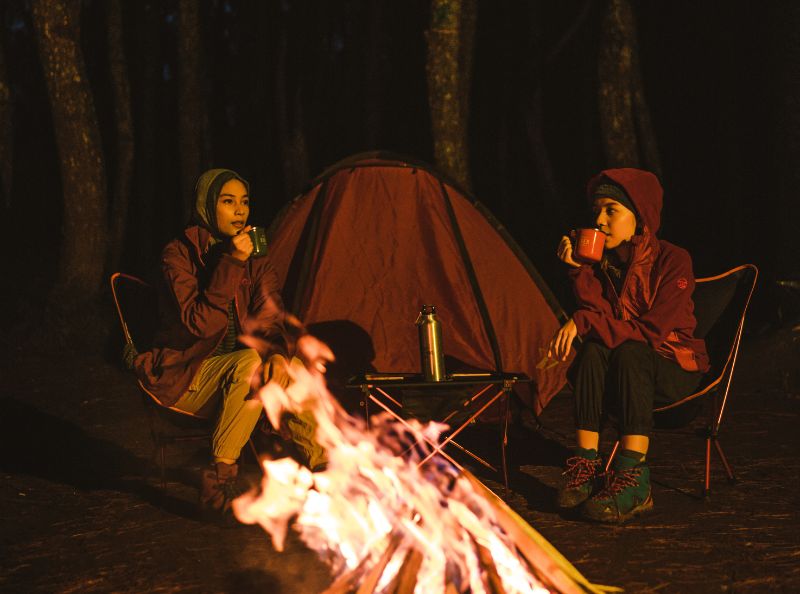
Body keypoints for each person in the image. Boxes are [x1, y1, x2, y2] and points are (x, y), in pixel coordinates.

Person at [133, 168, 325, 516]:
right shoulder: (178, 255)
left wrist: (277, 354)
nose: (240, 210)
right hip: (185, 375)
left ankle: (326, 473)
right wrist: (232, 262)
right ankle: (219, 483)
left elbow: (272, 316)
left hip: (238, 377)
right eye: (228, 201)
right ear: (207, 206)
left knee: (293, 368)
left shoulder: (256, 253)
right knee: (251, 363)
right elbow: (200, 325)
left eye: (244, 202)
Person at [548, 168, 708, 523]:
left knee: (632, 350)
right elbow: (603, 322)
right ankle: (587, 464)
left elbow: (650, 333)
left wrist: (584, 321)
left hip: (675, 372)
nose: (599, 220)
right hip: (626, 376)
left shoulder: (673, 260)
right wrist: (579, 271)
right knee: (594, 349)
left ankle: (634, 476)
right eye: (596, 212)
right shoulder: (605, 266)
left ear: (640, 216)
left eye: (611, 210)